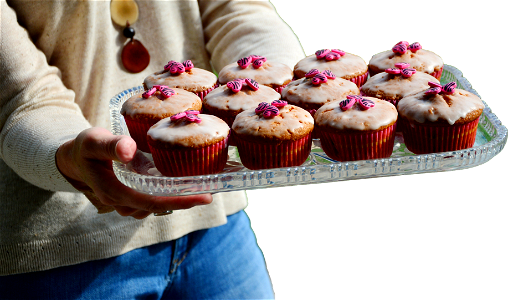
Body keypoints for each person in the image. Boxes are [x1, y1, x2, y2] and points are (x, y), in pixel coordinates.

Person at [0, 0, 306, 298]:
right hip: (62, 254)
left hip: (214, 222)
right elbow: (19, 95)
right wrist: (68, 153)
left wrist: (282, 88)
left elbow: (237, 9)